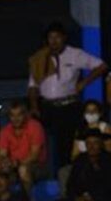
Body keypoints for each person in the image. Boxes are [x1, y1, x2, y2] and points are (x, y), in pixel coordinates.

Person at [27, 23, 105, 170]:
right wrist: (34, 107)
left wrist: (84, 82)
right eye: (50, 37)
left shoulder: (75, 54)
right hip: (47, 106)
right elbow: (32, 86)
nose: (54, 41)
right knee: (46, 145)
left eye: (57, 37)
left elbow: (101, 66)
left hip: (69, 106)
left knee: (67, 145)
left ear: (64, 38)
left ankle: (67, 177)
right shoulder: (40, 57)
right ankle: (51, 178)